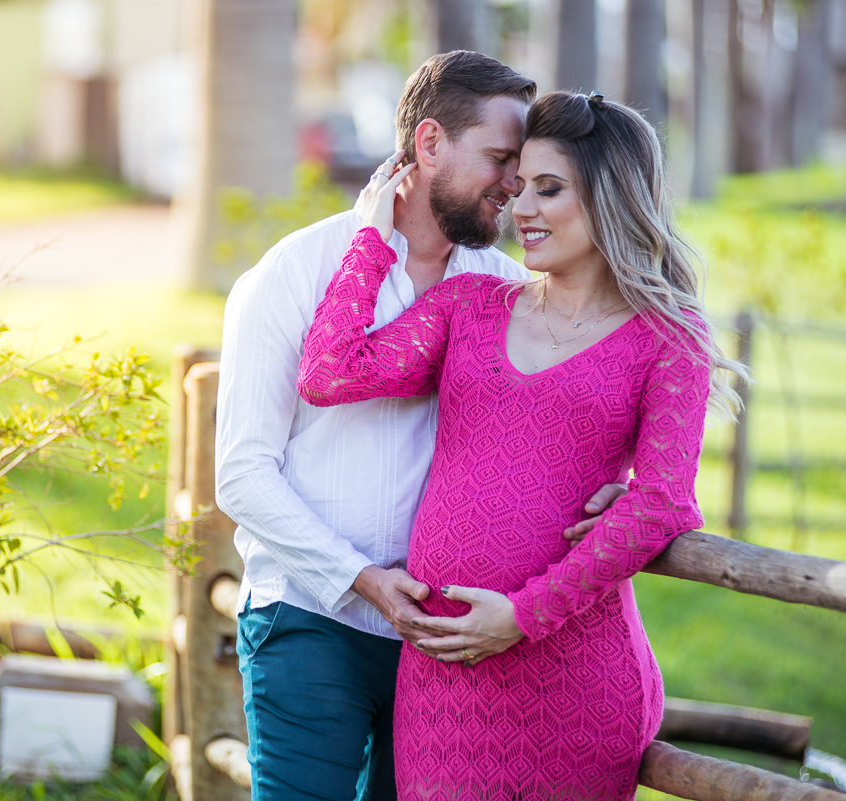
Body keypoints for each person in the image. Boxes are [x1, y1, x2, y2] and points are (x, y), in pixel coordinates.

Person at [296, 91, 746, 800]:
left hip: (571, 685)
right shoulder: (468, 305)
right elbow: (329, 372)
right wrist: (372, 238)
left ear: (609, 197)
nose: (521, 208)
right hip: (442, 679)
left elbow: (663, 502)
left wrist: (522, 616)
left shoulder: (668, 337)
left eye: (549, 188)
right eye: (519, 187)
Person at [215, 53, 627, 801]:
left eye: (527, 167)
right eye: (501, 159)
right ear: (430, 143)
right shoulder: (293, 272)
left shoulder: (505, 291)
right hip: (311, 617)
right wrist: (360, 579)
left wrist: (612, 484)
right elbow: (241, 473)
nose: (514, 185)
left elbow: (555, 427)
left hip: (444, 645)